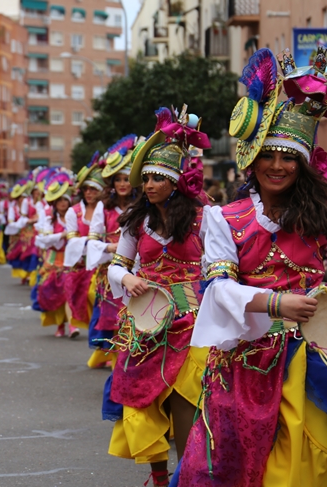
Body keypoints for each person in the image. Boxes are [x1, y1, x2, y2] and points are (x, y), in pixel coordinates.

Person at [176, 47, 327, 487]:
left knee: (308, 464)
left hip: (316, 357)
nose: (277, 165)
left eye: (288, 156)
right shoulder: (225, 218)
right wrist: (276, 303)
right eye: (268, 155)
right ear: (251, 157)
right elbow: (216, 289)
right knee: (233, 467)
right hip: (247, 361)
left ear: (303, 162)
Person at [105, 107, 211, 487]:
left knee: (184, 397)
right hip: (144, 322)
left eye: (157, 179)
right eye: (146, 178)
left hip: (191, 321)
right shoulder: (137, 222)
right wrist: (127, 278)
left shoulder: (202, 219)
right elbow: (115, 266)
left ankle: (187, 474)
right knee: (143, 398)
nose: (148, 185)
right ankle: (160, 476)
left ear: (175, 183)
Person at [86, 135, 140, 369]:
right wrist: (111, 248)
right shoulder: (103, 207)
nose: (122, 184)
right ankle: (112, 356)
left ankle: (124, 359)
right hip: (110, 273)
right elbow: (91, 241)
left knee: (133, 317)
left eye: (127, 179)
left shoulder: (142, 207)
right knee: (111, 317)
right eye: (118, 179)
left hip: (137, 272)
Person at [62, 153, 107, 343]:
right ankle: (72, 325)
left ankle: (98, 337)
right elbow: (72, 241)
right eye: (86, 189)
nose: (89, 193)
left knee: (95, 299)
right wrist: (92, 244)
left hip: (100, 263)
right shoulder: (74, 211)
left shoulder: (106, 209)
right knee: (73, 296)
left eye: (93, 189)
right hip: (79, 263)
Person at [34, 169, 75, 336]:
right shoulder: (48, 217)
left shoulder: (74, 215)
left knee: (70, 290)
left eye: (65, 200)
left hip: (71, 259)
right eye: (59, 200)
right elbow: (43, 240)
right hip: (53, 259)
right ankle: (60, 325)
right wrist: (61, 235)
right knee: (56, 293)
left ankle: (72, 325)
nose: (63, 203)